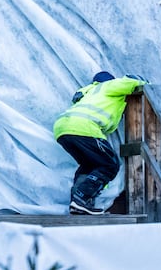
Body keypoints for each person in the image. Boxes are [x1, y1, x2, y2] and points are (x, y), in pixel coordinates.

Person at [53, 71, 147, 215]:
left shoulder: (88, 91)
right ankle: (82, 198)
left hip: (62, 128)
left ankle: (78, 203)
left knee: (89, 165)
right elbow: (131, 82)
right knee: (109, 164)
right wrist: (144, 81)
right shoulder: (108, 86)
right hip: (83, 127)